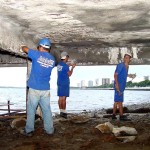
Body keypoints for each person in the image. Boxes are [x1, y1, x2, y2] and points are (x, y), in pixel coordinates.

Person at [20, 38, 55, 136]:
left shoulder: (37, 54)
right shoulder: (52, 59)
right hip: (45, 89)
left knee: (31, 109)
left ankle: (29, 130)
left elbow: (25, 49)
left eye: (39, 47)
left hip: (34, 88)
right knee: (47, 110)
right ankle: (49, 130)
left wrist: (22, 45)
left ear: (41, 47)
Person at [112, 53, 132, 121]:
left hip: (122, 85)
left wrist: (130, 75)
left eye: (128, 58)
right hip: (118, 85)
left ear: (130, 59)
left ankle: (113, 115)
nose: (126, 59)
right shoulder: (120, 65)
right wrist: (117, 85)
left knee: (116, 101)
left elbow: (123, 74)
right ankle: (121, 116)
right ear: (124, 58)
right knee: (120, 101)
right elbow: (115, 75)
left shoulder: (127, 66)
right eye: (125, 57)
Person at [57, 52, 76, 119]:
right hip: (65, 83)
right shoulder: (65, 66)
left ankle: (61, 111)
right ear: (65, 57)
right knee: (64, 98)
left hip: (59, 83)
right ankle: (64, 113)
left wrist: (69, 65)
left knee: (60, 98)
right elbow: (69, 74)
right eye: (67, 57)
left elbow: (64, 68)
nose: (68, 58)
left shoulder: (59, 64)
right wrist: (72, 68)